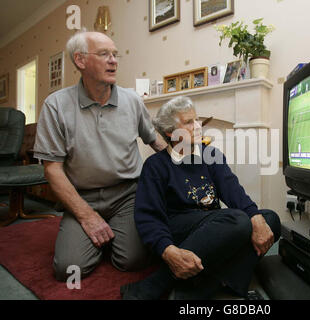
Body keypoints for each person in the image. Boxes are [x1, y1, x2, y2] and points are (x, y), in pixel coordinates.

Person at [33, 30, 166, 281]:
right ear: (80, 60)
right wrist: (86, 216)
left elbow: (155, 141)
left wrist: (186, 162)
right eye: (104, 54)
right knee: (68, 270)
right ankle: (98, 234)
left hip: (128, 194)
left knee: (133, 261)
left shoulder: (132, 100)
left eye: (115, 55)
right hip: (82, 197)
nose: (114, 60)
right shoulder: (55, 105)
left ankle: (111, 237)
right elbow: (52, 169)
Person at [120, 96, 281, 300]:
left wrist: (256, 218)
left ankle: (207, 285)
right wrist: (167, 250)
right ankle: (157, 283)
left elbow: (234, 192)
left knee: (269, 220)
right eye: (188, 122)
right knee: (238, 220)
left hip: (214, 226)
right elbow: (147, 216)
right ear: (170, 132)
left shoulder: (211, 155)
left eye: (197, 120)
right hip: (180, 231)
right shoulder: (155, 166)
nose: (197, 126)